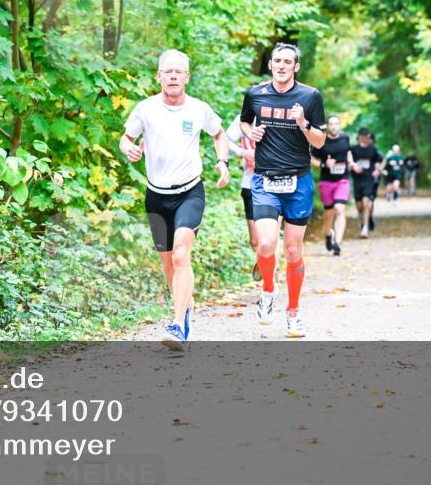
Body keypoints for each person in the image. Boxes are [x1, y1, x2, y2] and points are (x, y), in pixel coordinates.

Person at [120, 49, 230, 351]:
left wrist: (223, 162)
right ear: (158, 76)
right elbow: (126, 138)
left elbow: (219, 134)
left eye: (178, 71)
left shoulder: (199, 109)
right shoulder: (145, 109)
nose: (172, 76)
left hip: (189, 192)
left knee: (182, 254)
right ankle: (185, 305)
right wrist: (127, 148)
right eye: (167, 71)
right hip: (156, 196)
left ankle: (179, 324)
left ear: (186, 77)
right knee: (169, 264)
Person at [236, 42, 326, 338]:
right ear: (271, 64)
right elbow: (245, 123)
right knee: (264, 244)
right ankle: (268, 291)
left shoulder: (310, 96)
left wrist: (302, 123)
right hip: (264, 181)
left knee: (292, 250)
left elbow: (320, 141)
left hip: (298, 182)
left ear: (296, 67)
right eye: (278, 60)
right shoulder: (256, 93)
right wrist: (253, 132)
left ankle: (294, 312)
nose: (282, 65)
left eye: (288, 61)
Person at [311, 114, 353, 256]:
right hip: (327, 181)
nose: (334, 126)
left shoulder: (345, 138)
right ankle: (328, 234)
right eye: (331, 124)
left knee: (339, 209)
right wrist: (324, 164)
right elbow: (311, 158)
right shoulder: (321, 141)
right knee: (328, 214)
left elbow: (348, 153)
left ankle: (338, 243)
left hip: (343, 180)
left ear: (339, 126)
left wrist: (351, 162)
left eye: (336, 124)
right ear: (327, 126)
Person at [226, 121, 261, 280]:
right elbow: (224, 140)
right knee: (255, 241)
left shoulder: (275, 113)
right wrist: (242, 152)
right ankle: (263, 260)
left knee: (269, 237)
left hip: (274, 184)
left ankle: (268, 283)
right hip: (250, 182)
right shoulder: (242, 119)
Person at [350, 128, 383, 238]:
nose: (365, 138)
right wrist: (353, 166)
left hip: (368, 180)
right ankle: (365, 219)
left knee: (366, 203)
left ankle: (365, 228)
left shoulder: (372, 149)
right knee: (359, 206)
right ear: (359, 136)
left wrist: (377, 170)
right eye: (363, 135)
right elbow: (348, 161)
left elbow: (381, 161)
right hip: (357, 180)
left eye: (367, 136)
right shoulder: (353, 149)